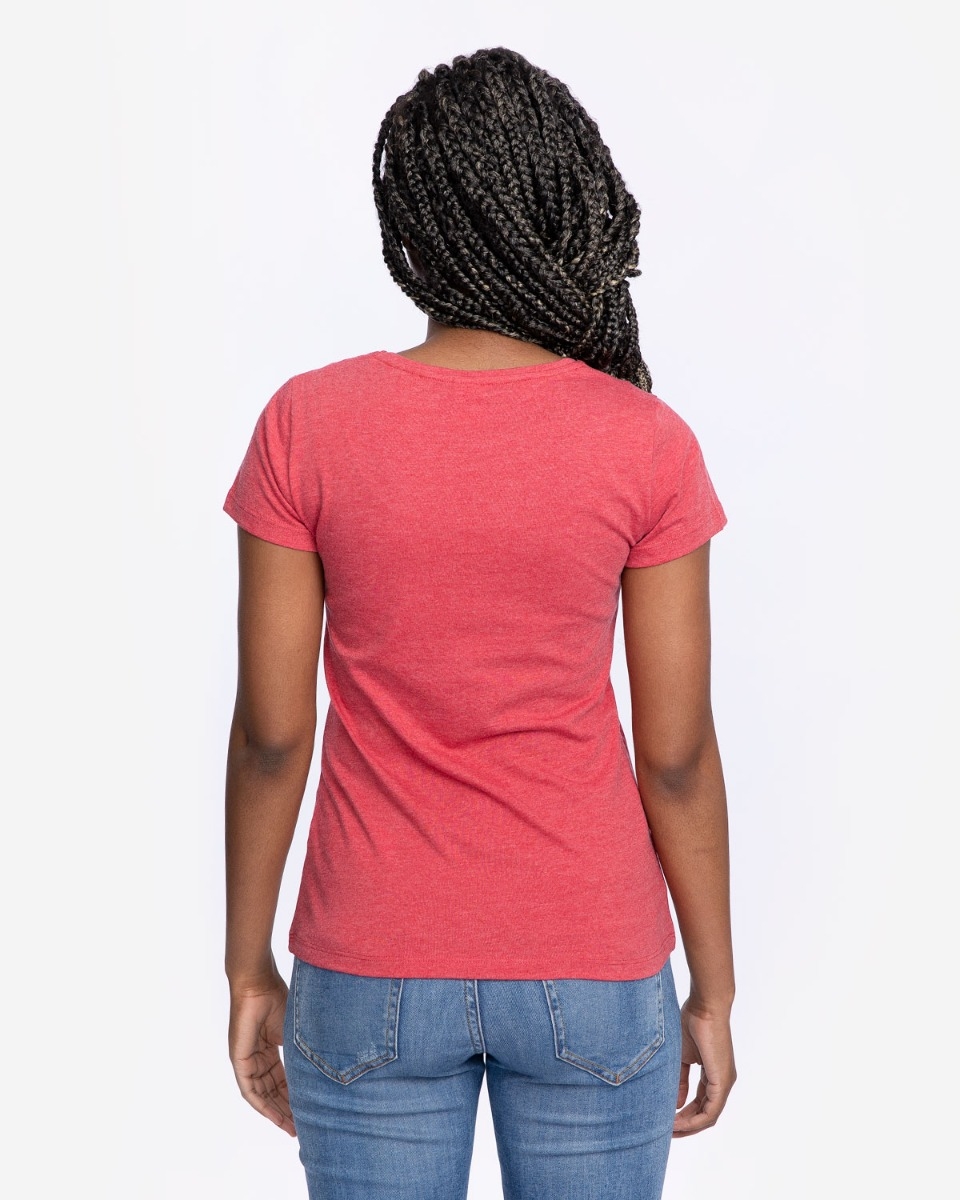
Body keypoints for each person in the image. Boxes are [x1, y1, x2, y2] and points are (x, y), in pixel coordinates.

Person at [223, 46, 736, 1200]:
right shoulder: (645, 442)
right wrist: (712, 986)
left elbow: (270, 734)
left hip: (369, 959)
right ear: (569, 210)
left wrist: (248, 964)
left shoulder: (307, 423)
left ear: (409, 230)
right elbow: (676, 755)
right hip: (594, 963)